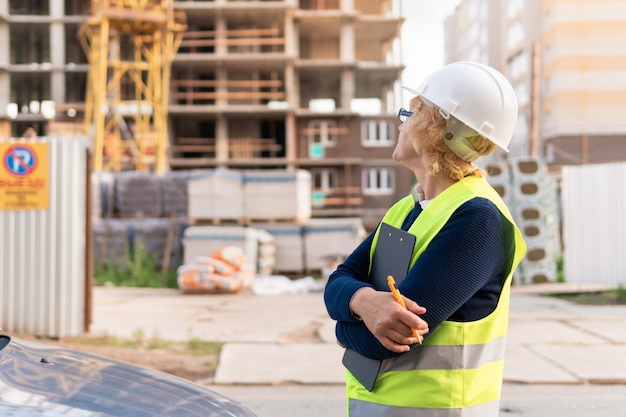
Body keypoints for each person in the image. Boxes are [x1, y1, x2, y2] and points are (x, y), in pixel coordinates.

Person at [323, 61, 527, 417]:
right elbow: (337, 282)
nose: (401, 122)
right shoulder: (406, 208)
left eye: (410, 112)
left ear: (439, 129)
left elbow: (383, 339)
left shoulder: (477, 219)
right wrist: (366, 301)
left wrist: (344, 324)